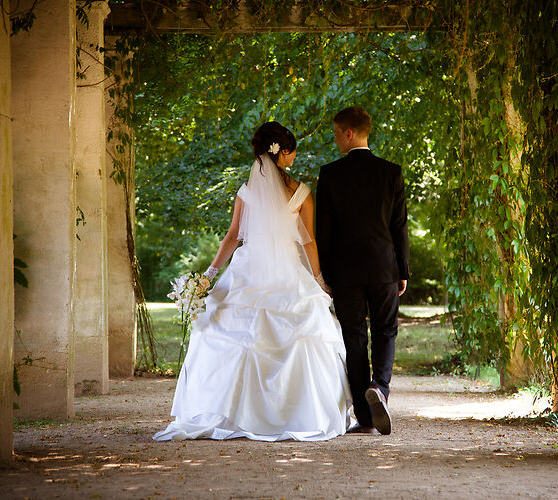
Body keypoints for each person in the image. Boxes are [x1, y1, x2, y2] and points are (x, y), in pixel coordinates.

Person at [153, 122, 351, 442]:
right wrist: (317, 280)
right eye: (292, 151)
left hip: (247, 270)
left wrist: (209, 276)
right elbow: (309, 242)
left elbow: (232, 237)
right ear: (283, 152)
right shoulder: (301, 192)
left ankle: (233, 411)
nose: (294, 157)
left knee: (230, 333)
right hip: (287, 272)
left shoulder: (246, 191)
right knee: (305, 333)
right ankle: (297, 412)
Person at [316, 106, 410, 436]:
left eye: (337, 133)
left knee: (354, 338)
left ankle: (366, 418)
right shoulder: (391, 172)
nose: (335, 140)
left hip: (345, 272)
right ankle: (380, 388)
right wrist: (403, 270)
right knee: (385, 330)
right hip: (385, 266)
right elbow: (399, 227)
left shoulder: (329, 175)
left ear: (349, 133)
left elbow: (322, 232)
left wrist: (325, 274)